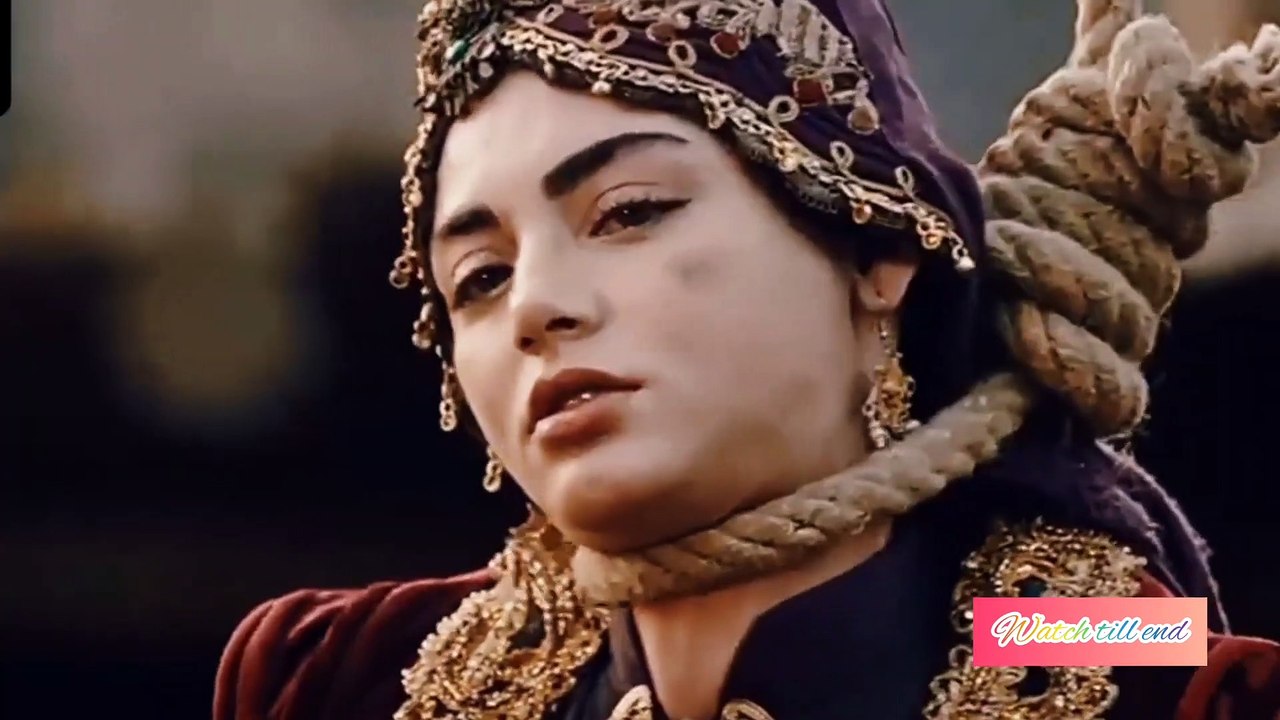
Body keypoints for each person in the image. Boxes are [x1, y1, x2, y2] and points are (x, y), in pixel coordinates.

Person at [213, 0, 1280, 717]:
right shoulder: (348, 677)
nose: (535, 306)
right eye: (480, 277)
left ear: (878, 251)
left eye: (629, 212)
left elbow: (1145, 646)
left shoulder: (1123, 662)